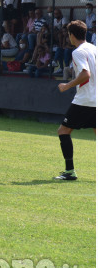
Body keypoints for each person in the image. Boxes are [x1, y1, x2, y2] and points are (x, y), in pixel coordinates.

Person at [55, 20, 96, 181]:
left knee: (63, 131)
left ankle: (70, 172)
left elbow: (86, 74)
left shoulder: (78, 52)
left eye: (68, 35)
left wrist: (67, 85)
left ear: (72, 35)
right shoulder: (94, 48)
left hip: (85, 100)